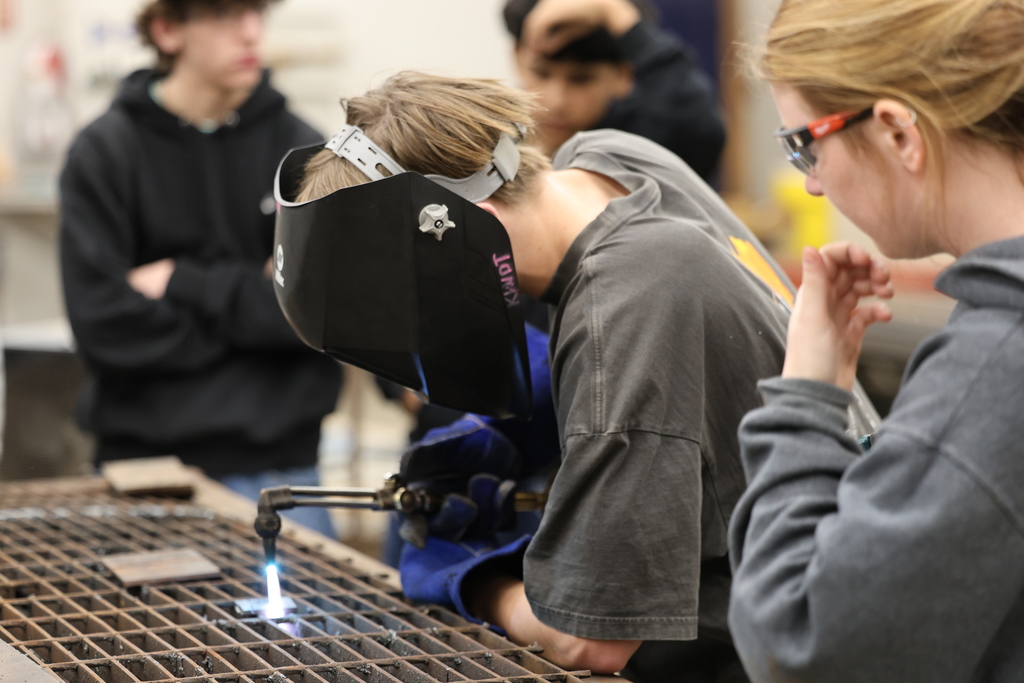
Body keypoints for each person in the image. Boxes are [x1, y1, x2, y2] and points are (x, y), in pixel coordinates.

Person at [287, 71, 865, 683]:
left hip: (805, 648)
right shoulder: (612, 157)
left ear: (455, 233)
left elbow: (589, 640)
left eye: (402, 298)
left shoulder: (624, 305)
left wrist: (477, 580)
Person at [726, 1, 1024, 681]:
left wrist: (805, 396)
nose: (810, 181)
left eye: (806, 144)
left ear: (897, 132)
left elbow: (802, 645)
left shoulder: (997, 360)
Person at [59, 0, 342, 536]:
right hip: (142, 474)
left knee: (309, 622)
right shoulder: (103, 153)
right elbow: (105, 326)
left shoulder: (303, 153)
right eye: (224, 15)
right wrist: (258, 308)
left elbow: (325, 315)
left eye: (257, 12)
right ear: (167, 30)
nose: (252, 32)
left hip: (283, 478)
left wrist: (181, 283)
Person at [503, 0, 726, 181]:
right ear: (516, 56)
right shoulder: (494, 139)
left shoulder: (636, 147)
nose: (556, 101)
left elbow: (700, 131)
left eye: (581, 80)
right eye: (542, 73)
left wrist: (614, 12)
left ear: (624, 75)